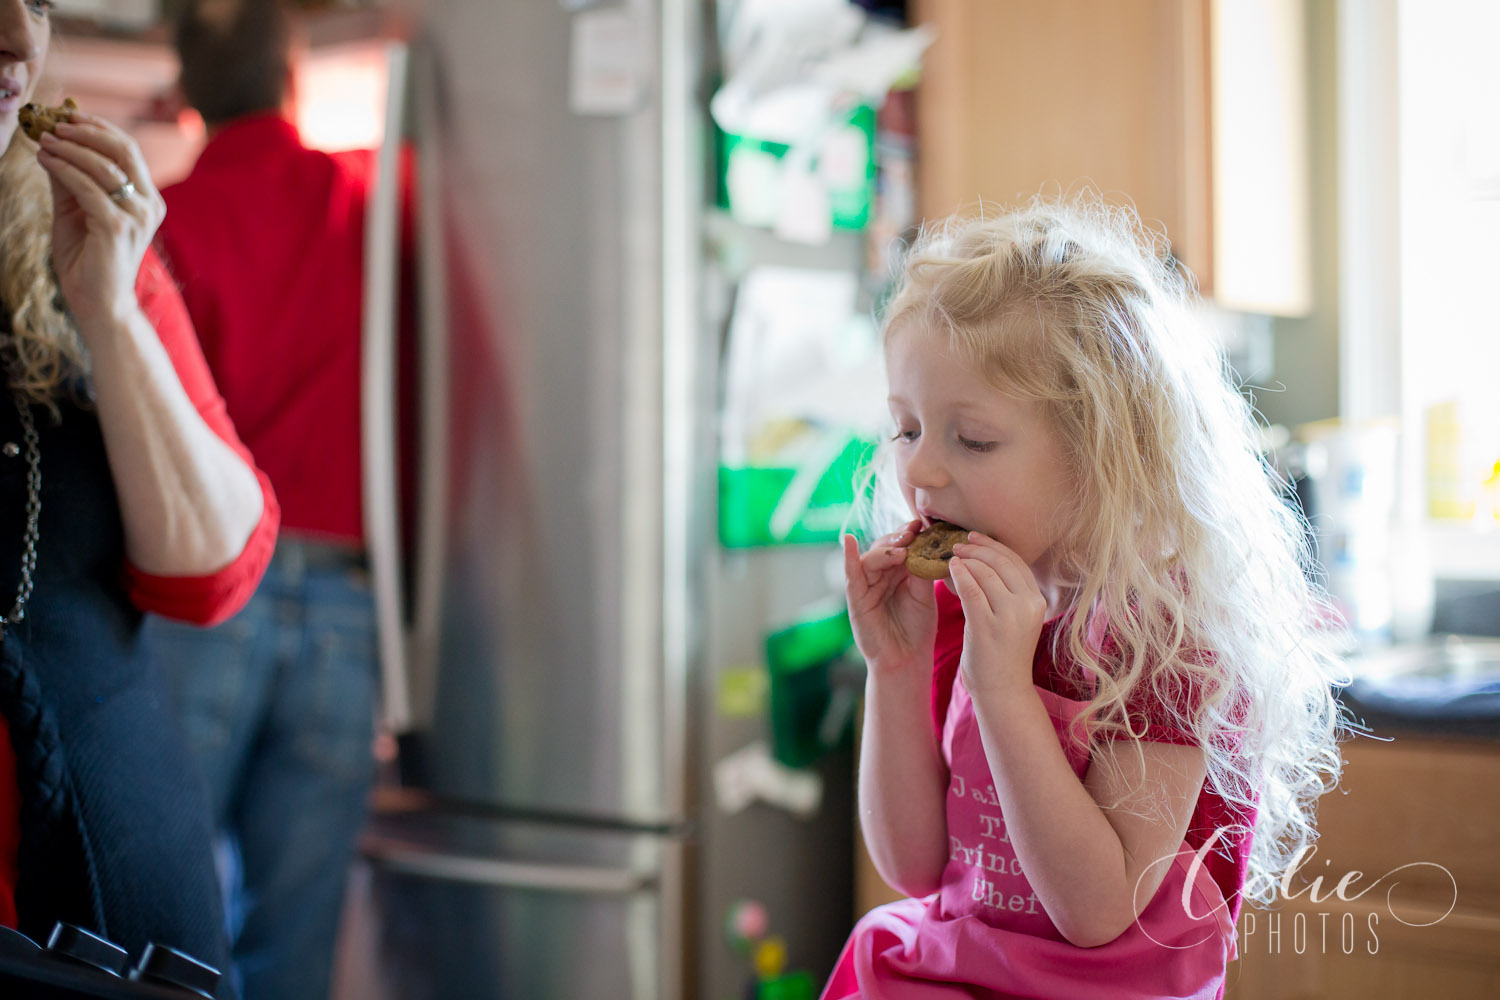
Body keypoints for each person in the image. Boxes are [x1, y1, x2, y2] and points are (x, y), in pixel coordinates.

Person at [827, 198, 1354, 999]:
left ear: (1097, 452)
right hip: (971, 966)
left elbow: (1097, 909)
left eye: (971, 439)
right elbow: (916, 870)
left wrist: (1003, 691)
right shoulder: (967, 601)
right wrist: (893, 671)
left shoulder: (1167, 640)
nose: (922, 471)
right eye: (907, 430)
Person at [0, 0, 279, 988]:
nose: (17, 39)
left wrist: (109, 307)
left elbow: (212, 571)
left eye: (34, 3)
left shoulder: (79, 244)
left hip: (119, 910)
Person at [142, 2, 403, 998]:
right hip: (345, 603)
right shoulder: (363, 194)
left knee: (155, 926)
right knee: (292, 943)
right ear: (293, 80)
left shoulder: (160, 217)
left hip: (203, 601)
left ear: (186, 94)